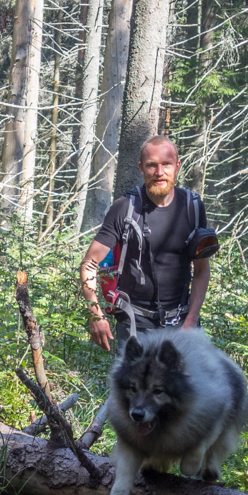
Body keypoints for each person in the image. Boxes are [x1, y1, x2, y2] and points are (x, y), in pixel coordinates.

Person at [79, 136, 214, 351]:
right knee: (135, 386)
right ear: (141, 168)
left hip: (182, 327)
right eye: (152, 165)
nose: (159, 172)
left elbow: (201, 270)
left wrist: (191, 321)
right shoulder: (125, 208)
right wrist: (96, 314)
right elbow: (89, 264)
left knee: (182, 385)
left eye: (166, 164)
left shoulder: (193, 208)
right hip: (134, 326)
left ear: (177, 166)